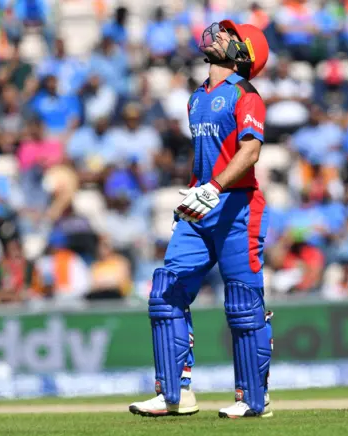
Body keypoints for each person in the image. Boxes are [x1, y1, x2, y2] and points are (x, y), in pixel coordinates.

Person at [128, 20, 272, 419]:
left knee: (244, 304)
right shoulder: (196, 98)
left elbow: (250, 153)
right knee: (166, 291)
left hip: (238, 207)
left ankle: (253, 400)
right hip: (202, 207)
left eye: (229, 35)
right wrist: (193, 198)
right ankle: (174, 395)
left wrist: (213, 189)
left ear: (243, 54)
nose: (218, 35)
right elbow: (203, 159)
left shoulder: (246, 95)